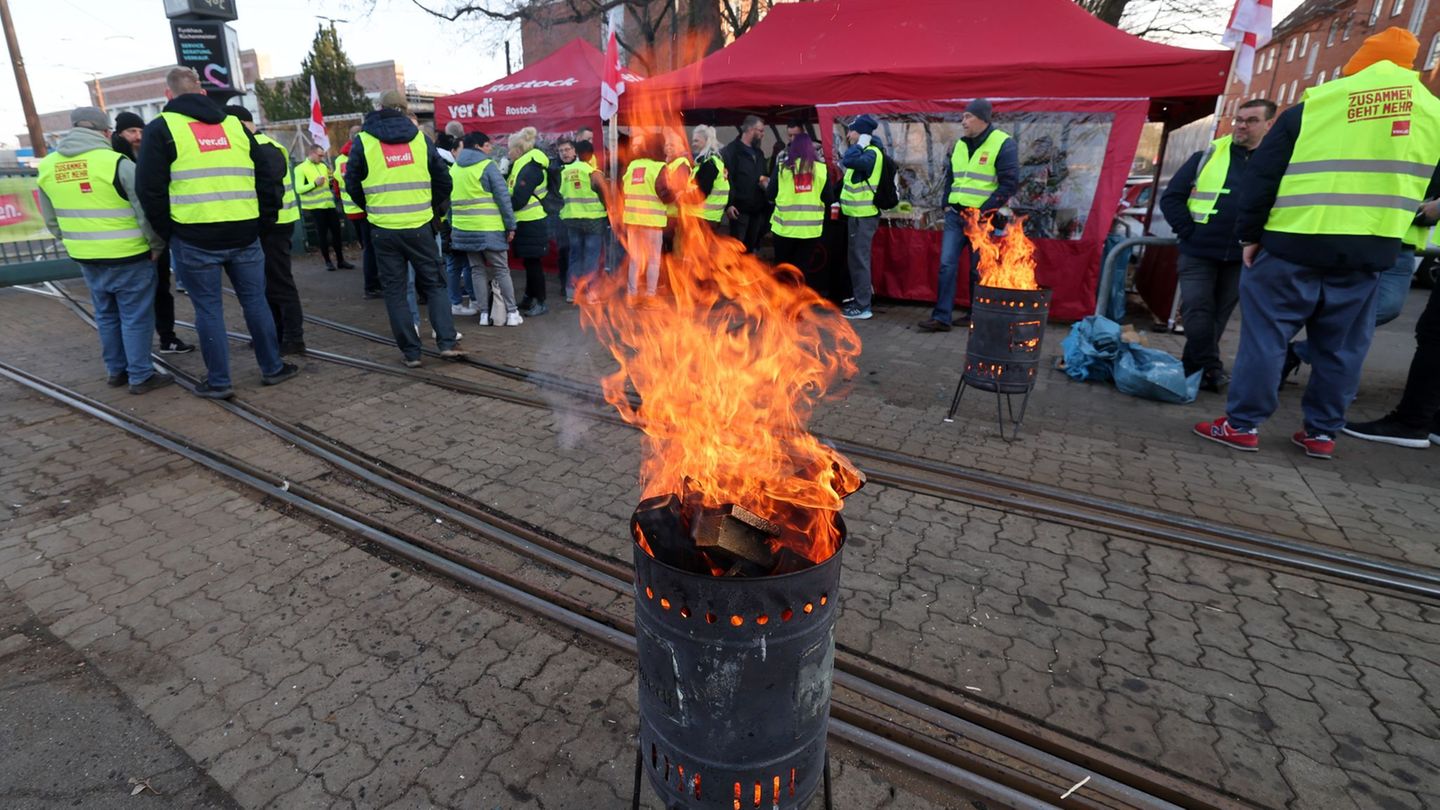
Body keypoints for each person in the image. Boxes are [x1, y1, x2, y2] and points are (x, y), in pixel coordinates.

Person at [1194, 27, 1440, 460]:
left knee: (1266, 340)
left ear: (1360, 60)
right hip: (1370, 250)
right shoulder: (1433, 113)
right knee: (1342, 348)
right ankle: (1322, 434)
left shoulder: (1320, 102)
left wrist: (1250, 235)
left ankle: (1242, 425)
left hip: (1294, 242)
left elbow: (1263, 176)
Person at [135, 68, 297, 398]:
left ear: (168, 95)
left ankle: (220, 382)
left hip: (194, 236)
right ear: (203, 92)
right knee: (256, 302)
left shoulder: (162, 129)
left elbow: (149, 190)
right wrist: (261, 223)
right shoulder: (235, 127)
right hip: (244, 233)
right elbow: (266, 179)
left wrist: (170, 232)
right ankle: (272, 367)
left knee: (208, 309)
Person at [37, 107, 171, 394]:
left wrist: (75, 239)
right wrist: (156, 245)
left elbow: (50, 219)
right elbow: (143, 210)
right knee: (135, 316)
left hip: (86, 255)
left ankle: (116, 371)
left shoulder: (48, 166)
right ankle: (141, 375)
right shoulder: (117, 163)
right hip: (129, 254)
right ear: (106, 132)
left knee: (106, 315)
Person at [1158, 98, 1277, 392]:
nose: (1241, 126)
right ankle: (1212, 367)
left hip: (1243, 255)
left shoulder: (1276, 162)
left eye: (1251, 121)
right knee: (1197, 309)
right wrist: (1188, 231)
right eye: (1239, 119)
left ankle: (1194, 371)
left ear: (1268, 124)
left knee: (1217, 317)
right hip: (1199, 250)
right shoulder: (1209, 155)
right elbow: (1172, 197)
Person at [345, 89, 465, 368]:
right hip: (420, 225)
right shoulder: (421, 140)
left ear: (379, 108)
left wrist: (372, 207)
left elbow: (352, 183)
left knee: (396, 291)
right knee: (435, 284)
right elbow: (444, 181)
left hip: (383, 229)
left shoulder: (363, 140)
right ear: (405, 108)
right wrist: (431, 207)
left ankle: (412, 353)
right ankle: (446, 342)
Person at [918, 99, 1019, 332]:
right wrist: (946, 203)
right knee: (946, 265)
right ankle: (942, 318)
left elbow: (1009, 185)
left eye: (967, 117)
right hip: (955, 215)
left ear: (983, 119)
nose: (962, 122)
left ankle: (976, 315)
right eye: (962, 117)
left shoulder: (1003, 144)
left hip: (982, 220)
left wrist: (983, 212)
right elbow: (951, 178)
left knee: (978, 269)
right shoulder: (960, 145)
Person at [110, 110, 192, 355]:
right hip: (131, 241)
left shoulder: (151, 154)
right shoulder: (117, 162)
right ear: (119, 134)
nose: (138, 137)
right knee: (134, 299)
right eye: (132, 131)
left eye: (141, 132)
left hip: (155, 236)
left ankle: (167, 338)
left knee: (161, 291)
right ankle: (136, 351)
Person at [231, 105, 306, 355]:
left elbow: (268, 191)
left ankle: (293, 338)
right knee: (267, 284)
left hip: (274, 225)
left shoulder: (263, 147)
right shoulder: (260, 145)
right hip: (270, 224)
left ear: (241, 124)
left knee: (278, 283)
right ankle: (276, 333)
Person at [450, 130, 522, 326]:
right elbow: (503, 198)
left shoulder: (455, 168)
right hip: (489, 228)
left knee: (476, 270)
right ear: (478, 146)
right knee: (501, 270)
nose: (491, 148)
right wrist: (510, 225)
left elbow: (450, 203)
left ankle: (483, 314)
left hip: (464, 230)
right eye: (488, 144)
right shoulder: (487, 166)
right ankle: (512, 313)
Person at [767, 133, 834, 287]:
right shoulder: (821, 170)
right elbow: (829, 199)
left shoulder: (782, 169)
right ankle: (798, 302)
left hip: (784, 229)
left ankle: (781, 303)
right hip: (810, 231)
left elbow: (770, 194)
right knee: (801, 268)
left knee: (782, 268)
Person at [838, 114, 885, 320]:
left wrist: (863, 142)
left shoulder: (871, 153)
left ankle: (863, 306)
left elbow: (848, 160)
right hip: (856, 215)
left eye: (852, 130)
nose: (848, 135)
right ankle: (859, 300)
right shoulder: (866, 152)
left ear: (862, 133)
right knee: (856, 260)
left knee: (860, 260)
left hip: (863, 216)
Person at [507, 126, 552, 316]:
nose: (508, 153)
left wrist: (503, 205)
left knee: (534, 264)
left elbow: (518, 199)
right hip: (526, 220)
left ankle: (540, 302)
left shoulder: (530, 167)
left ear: (518, 149)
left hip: (532, 220)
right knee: (529, 262)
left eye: (509, 149)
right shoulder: (523, 164)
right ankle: (528, 296)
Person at [559, 137, 607, 301]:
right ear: (592, 155)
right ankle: (590, 292)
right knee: (592, 256)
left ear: (576, 153)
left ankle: (571, 292)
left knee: (575, 255)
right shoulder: (593, 173)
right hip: (593, 220)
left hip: (572, 219)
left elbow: (561, 194)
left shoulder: (565, 172)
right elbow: (605, 197)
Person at [335, 125, 380, 298]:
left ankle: (373, 283)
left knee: (366, 247)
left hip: (352, 209)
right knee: (370, 248)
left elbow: (339, 185)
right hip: (365, 209)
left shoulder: (340, 159)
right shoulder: (363, 154)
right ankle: (372, 285)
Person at [621, 134, 667, 299]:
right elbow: (666, 194)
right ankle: (650, 295)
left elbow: (624, 187)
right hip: (652, 222)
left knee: (635, 260)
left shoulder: (632, 166)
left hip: (633, 222)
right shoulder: (659, 167)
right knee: (653, 261)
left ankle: (631, 294)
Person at [295, 144, 352, 271]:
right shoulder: (300, 168)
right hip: (315, 207)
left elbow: (328, 185)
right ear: (312, 153)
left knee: (337, 232)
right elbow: (299, 189)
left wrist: (331, 180)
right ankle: (328, 261)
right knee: (322, 235)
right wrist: (314, 184)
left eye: (323, 155)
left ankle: (341, 260)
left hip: (329, 205)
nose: (322, 157)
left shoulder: (323, 166)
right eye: (320, 155)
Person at [721, 115, 769, 252]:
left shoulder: (759, 153)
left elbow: (763, 175)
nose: (763, 134)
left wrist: (765, 181)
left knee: (750, 248)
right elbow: (726, 180)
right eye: (760, 131)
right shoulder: (731, 152)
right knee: (737, 249)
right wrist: (729, 204)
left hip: (757, 209)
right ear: (750, 130)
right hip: (739, 209)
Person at [690, 125, 729, 232]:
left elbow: (701, 192)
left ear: (706, 141)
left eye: (696, 141)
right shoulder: (713, 161)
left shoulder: (709, 164)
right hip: (707, 218)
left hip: (702, 218)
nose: (693, 144)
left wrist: (681, 197)